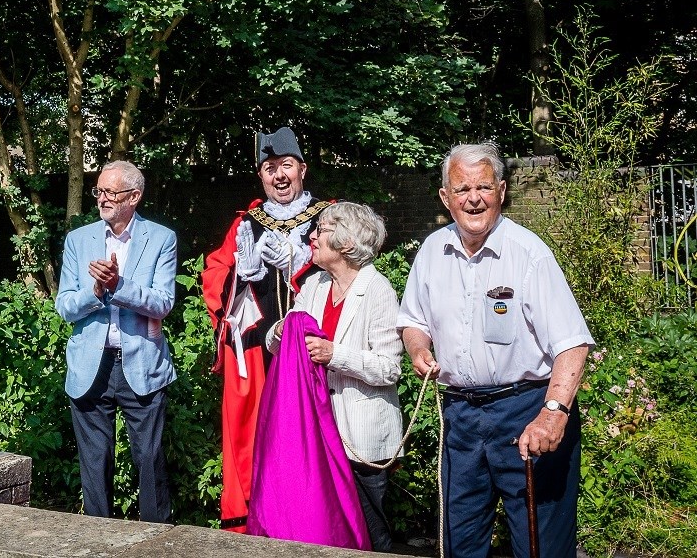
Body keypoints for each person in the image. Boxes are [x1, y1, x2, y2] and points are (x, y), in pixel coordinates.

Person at [398, 142, 594, 558]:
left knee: (540, 545)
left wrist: (553, 414)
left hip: (525, 414)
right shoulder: (432, 251)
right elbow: (412, 321)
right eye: (462, 188)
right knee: (461, 541)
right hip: (461, 417)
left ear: (502, 192)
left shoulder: (529, 254)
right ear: (445, 197)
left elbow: (573, 344)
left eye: (484, 187)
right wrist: (418, 348)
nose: (473, 199)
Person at [202, 127, 331, 532]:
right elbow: (214, 275)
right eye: (270, 168)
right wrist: (242, 275)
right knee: (255, 434)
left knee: (310, 436)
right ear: (261, 176)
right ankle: (257, 522)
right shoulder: (246, 224)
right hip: (257, 351)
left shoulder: (329, 216)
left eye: (286, 166)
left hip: (315, 348)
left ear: (302, 169)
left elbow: (353, 265)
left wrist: (301, 262)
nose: (279, 175)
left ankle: (312, 520)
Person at [264, 202, 402, 551]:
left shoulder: (378, 290)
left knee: (372, 534)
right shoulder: (314, 285)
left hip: (360, 436)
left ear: (345, 242)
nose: (312, 236)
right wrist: (281, 331)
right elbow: (276, 342)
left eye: (321, 230)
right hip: (317, 435)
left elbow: (389, 367)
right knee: (330, 530)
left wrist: (334, 355)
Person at [56, 160, 177, 523]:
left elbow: (163, 302)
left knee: (149, 459)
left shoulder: (161, 238)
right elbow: (64, 305)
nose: (102, 198)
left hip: (141, 363)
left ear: (134, 197)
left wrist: (119, 286)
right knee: (95, 462)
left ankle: (157, 539)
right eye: (99, 191)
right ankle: (98, 539)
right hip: (91, 365)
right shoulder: (78, 240)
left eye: (111, 192)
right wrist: (95, 291)